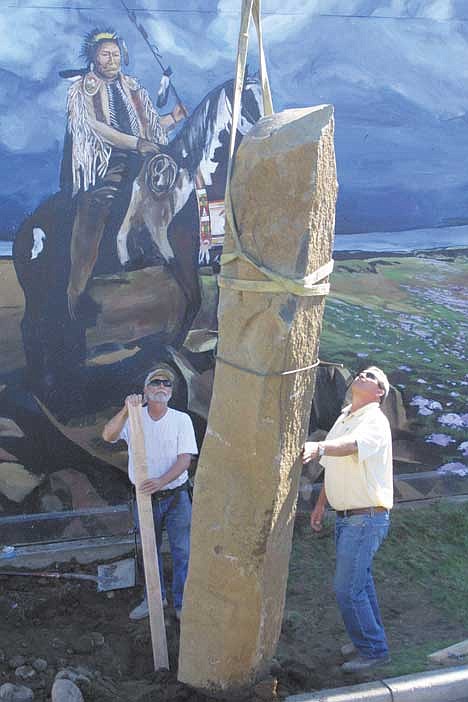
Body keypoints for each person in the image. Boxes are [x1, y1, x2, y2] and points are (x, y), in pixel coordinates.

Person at [63, 28, 187, 317]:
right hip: (107, 159)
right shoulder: (84, 88)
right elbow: (96, 128)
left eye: (116, 54)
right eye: (105, 54)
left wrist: (172, 118)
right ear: (93, 57)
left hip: (139, 157)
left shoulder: (132, 87)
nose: (112, 59)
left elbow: (150, 127)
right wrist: (136, 144)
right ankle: (77, 288)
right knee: (98, 205)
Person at [302, 366, 393, 673]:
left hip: (366, 518)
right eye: (361, 372)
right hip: (347, 517)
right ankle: (368, 639)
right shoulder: (344, 417)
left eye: (370, 376)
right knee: (360, 585)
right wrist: (320, 505)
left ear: (379, 392)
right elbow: (333, 464)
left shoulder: (375, 420)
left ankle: (373, 651)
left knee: (347, 588)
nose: (361, 375)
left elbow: (351, 447)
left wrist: (318, 446)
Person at [102, 364, 198, 621]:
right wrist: (127, 409)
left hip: (176, 496)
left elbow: (184, 460)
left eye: (166, 384)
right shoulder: (134, 418)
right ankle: (153, 599)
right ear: (145, 389)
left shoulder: (181, 420)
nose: (162, 387)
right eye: (155, 383)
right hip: (145, 498)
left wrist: (161, 480)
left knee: (183, 550)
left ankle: (181, 604)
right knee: (149, 551)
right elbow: (108, 435)